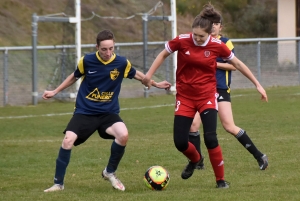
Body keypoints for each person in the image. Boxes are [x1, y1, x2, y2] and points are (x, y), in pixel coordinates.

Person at [142, 3, 268, 189]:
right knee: (180, 142)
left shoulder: (218, 45)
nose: (198, 39)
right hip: (184, 97)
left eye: (202, 36)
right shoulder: (182, 40)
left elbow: (238, 65)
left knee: (211, 137)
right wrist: (148, 76)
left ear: (210, 33)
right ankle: (195, 159)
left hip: (207, 96)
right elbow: (163, 54)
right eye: (195, 35)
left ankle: (221, 181)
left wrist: (258, 84)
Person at [42, 29, 171, 192]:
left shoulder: (121, 63)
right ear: (97, 47)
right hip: (85, 112)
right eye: (104, 49)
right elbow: (74, 76)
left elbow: (138, 75)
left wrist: (156, 84)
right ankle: (58, 184)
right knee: (68, 140)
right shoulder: (87, 61)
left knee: (123, 134)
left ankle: (109, 172)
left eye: (111, 48)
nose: (108, 52)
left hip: (108, 113)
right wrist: (55, 91)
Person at [190, 19, 269, 171]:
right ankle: (198, 160)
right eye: (210, 24)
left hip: (220, 89)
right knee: (193, 125)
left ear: (221, 27)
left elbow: (234, 65)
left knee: (229, 126)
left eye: (216, 24)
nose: (213, 26)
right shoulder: (200, 42)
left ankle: (259, 156)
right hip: (203, 90)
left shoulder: (225, 42)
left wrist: (212, 63)